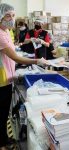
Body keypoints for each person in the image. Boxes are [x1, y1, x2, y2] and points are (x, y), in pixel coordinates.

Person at [0, 3, 48, 150]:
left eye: (13, 15)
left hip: (9, 77)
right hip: (1, 80)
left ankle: (3, 138)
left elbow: (12, 50)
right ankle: (1, 142)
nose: (12, 19)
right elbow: (15, 57)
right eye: (8, 15)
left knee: (4, 111)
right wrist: (37, 60)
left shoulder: (7, 31)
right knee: (1, 111)